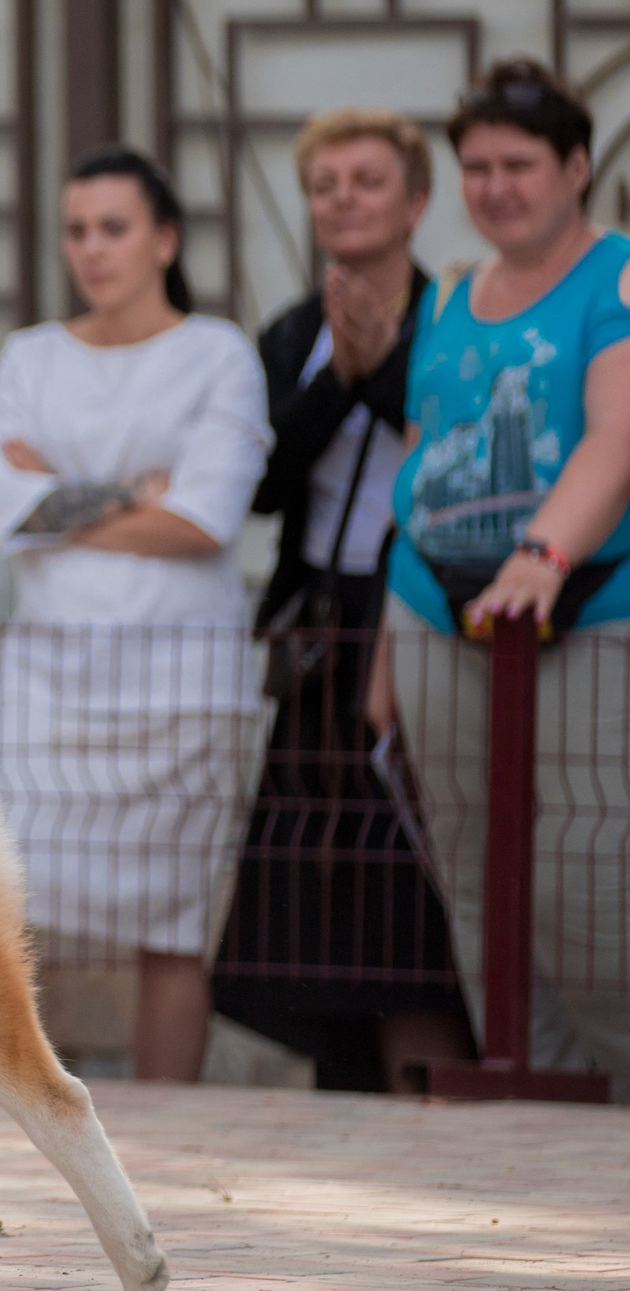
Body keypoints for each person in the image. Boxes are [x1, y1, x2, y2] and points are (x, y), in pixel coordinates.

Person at [0, 146, 272, 1083]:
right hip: (50, 677)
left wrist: (57, 501)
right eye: (77, 229)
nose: (92, 249)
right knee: (6, 908)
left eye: (115, 227)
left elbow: (203, 517)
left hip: (182, 681)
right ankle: (24, 1115)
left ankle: (166, 1136)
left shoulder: (218, 352)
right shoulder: (31, 356)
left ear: (165, 239)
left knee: (173, 927)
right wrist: (134, 491)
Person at [372, 58, 630, 1098]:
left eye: (518, 163)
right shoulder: (443, 293)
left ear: (575, 166)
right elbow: (422, 453)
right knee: (473, 875)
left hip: (576, 604)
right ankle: (532, 1100)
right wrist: (389, 649)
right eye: (474, 165)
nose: (494, 186)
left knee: (585, 867)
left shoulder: (613, 275)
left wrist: (543, 555)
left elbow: (616, 437)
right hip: (434, 605)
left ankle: (612, 1095)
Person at [211, 110, 470, 1090]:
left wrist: (378, 375)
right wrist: (340, 381)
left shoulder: (457, 314)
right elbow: (262, 482)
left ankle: (434, 1093)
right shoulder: (288, 330)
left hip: (411, 612)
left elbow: (450, 447)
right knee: (316, 875)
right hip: (319, 624)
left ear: (414, 200)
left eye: (367, 180)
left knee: (408, 875)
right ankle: (340, 1092)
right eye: (325, 184)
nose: (344, 199)